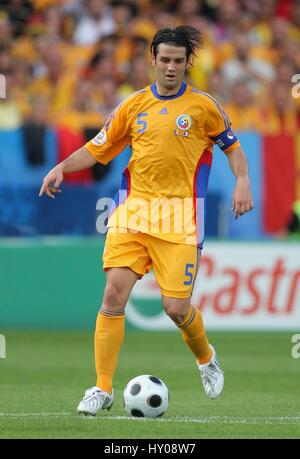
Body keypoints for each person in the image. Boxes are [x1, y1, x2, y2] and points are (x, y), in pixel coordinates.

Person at [39, 26, 254, 416]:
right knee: (112, 297)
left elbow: (233, 149)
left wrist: (242, 181)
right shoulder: (132, 105)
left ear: (188, 63)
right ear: (152, 60)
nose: (171, 67)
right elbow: (98, 148)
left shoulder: (204, 106)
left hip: (181, 220)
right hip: (133, 214)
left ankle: (205, 357)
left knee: (175, 309)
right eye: (164, 60)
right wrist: (61, 167)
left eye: (178, 61)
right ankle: (102, 389)